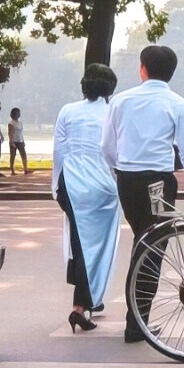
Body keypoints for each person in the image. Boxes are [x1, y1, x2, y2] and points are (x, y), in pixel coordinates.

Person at [104, 44, 184, 342]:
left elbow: (106, 146)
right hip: (158, 182)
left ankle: (136, 319)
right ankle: (137, 323)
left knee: (142, 243)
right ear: (171, 73)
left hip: (128, 179)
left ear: (142, 68)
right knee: (152, 249)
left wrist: (119, 169)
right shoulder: (178, 104)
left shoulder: (121, 101)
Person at [55, 65, 121, 333]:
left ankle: (86, 301)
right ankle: (81, 306)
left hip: (69, 184)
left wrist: (55, 187)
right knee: (96, 247)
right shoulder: (112, 112)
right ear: (110, 88)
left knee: (79, 244)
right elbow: (114, 152)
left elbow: (59, 151)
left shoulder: (67, 110)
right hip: (102, 187)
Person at [7, 107, 28, 175]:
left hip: (20, 140)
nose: (17, 115)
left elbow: (21, 133)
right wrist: (11, 141)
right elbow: (10, 133)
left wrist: (23, 140)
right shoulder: (11, 123)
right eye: (16, 113)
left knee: (23, 155)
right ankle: (12, 170)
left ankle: (25, 169)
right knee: (13, 156)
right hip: (14, 141)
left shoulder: (20, 123)